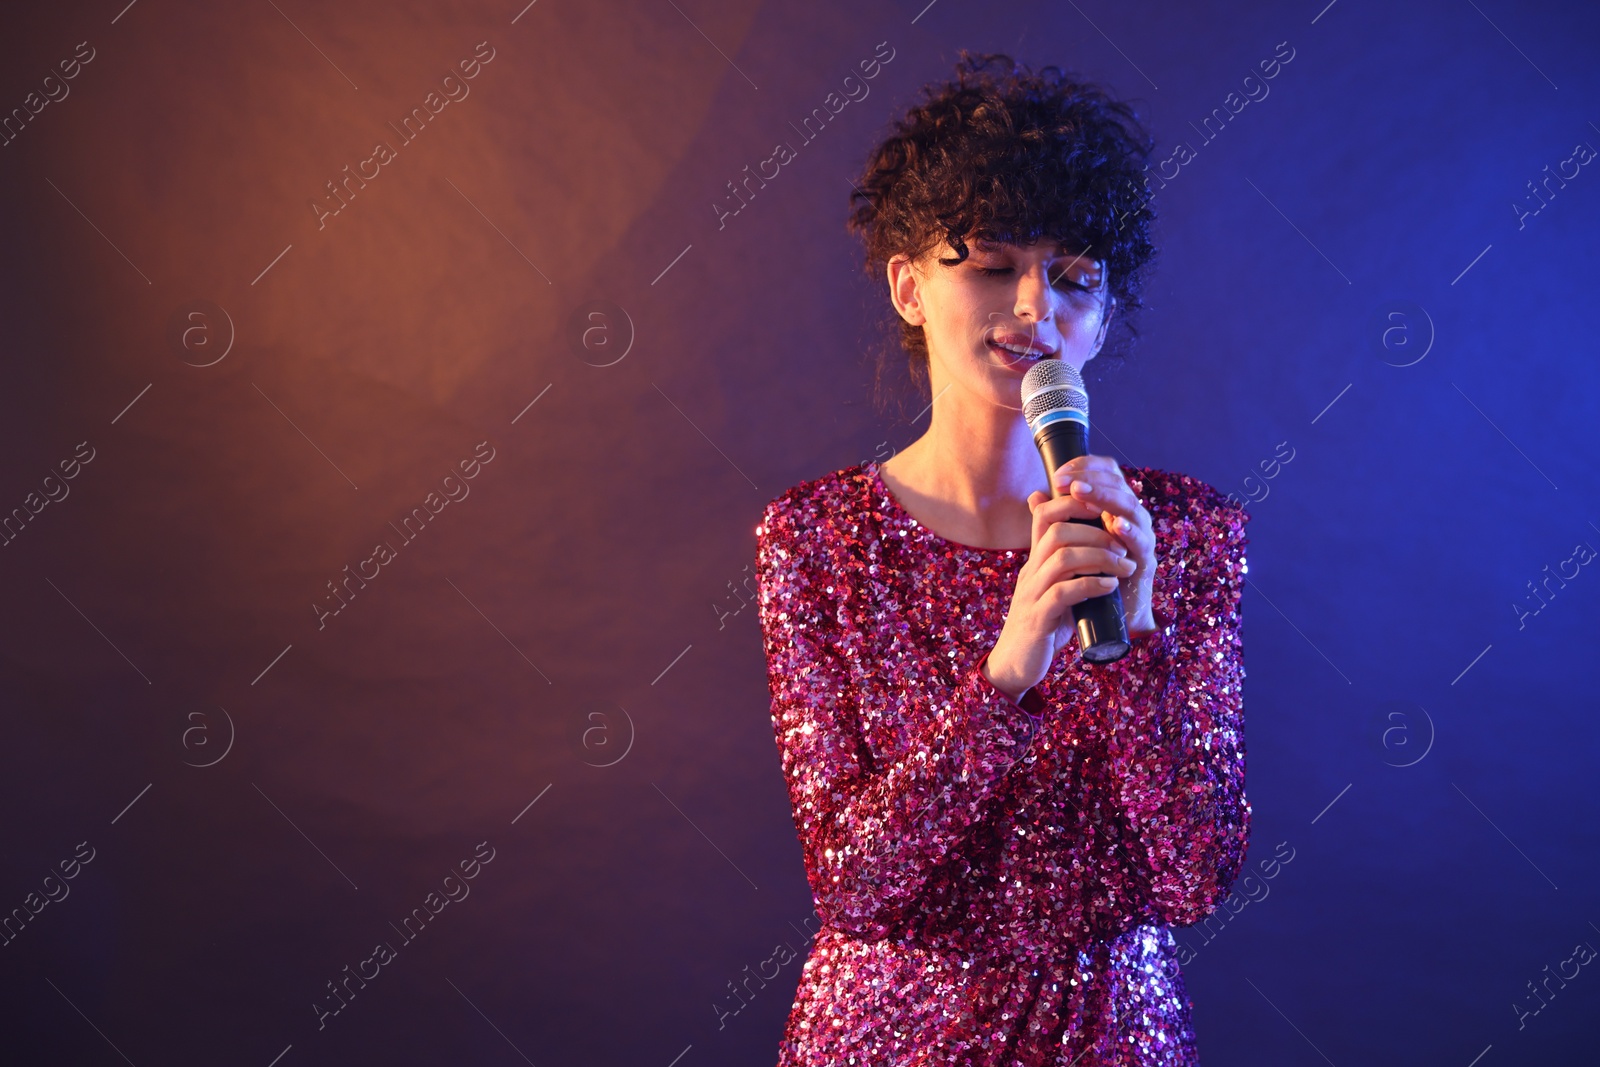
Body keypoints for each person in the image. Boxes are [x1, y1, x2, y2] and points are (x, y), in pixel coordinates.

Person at [753, 53, 1252, 1064]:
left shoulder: (1185, 532)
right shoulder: (811, 539)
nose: (1036, 309)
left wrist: (1135, 640)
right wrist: (1008, 670)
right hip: (890, 1037)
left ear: (1104, 313)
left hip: (1112, 1032)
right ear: (908, 286)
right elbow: (854, 882)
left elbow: (1193, 874)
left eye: (1072, 278)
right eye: (990, 266)